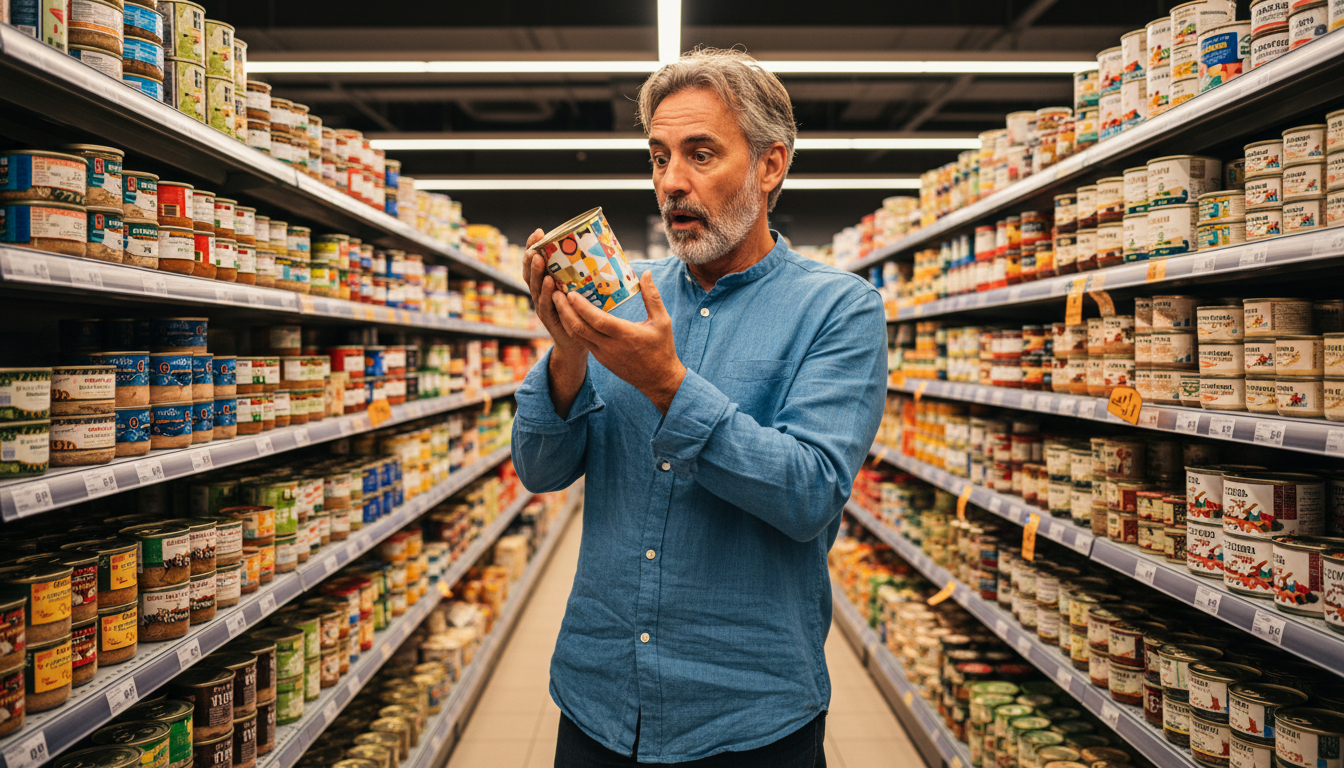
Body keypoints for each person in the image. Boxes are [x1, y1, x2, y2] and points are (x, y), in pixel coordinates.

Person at [510, 46, 889, 767]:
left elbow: (810, 494)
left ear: (770, 166)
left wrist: (667, 386)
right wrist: (566, 354)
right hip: (597, 696)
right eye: (658, 157)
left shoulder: (840, 310)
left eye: (700, 154)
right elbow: (539, 468)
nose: (671, 183)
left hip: (747, 717)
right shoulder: (621, 294)